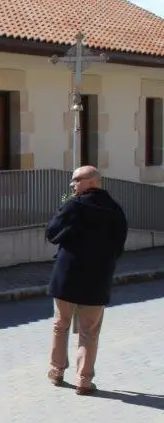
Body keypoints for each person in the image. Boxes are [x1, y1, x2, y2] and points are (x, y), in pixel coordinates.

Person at [45, 165, 128, 395]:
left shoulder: (73, 206)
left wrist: (64, 212)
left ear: (92, 181)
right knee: (89, 331)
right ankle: (83, 380)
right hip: (97, 278)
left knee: (60, 325)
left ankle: (56, 371)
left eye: (76, 180)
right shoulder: (115, 209)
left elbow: (52, 233)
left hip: (67, 276)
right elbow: (119, 245)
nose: (72, 184)